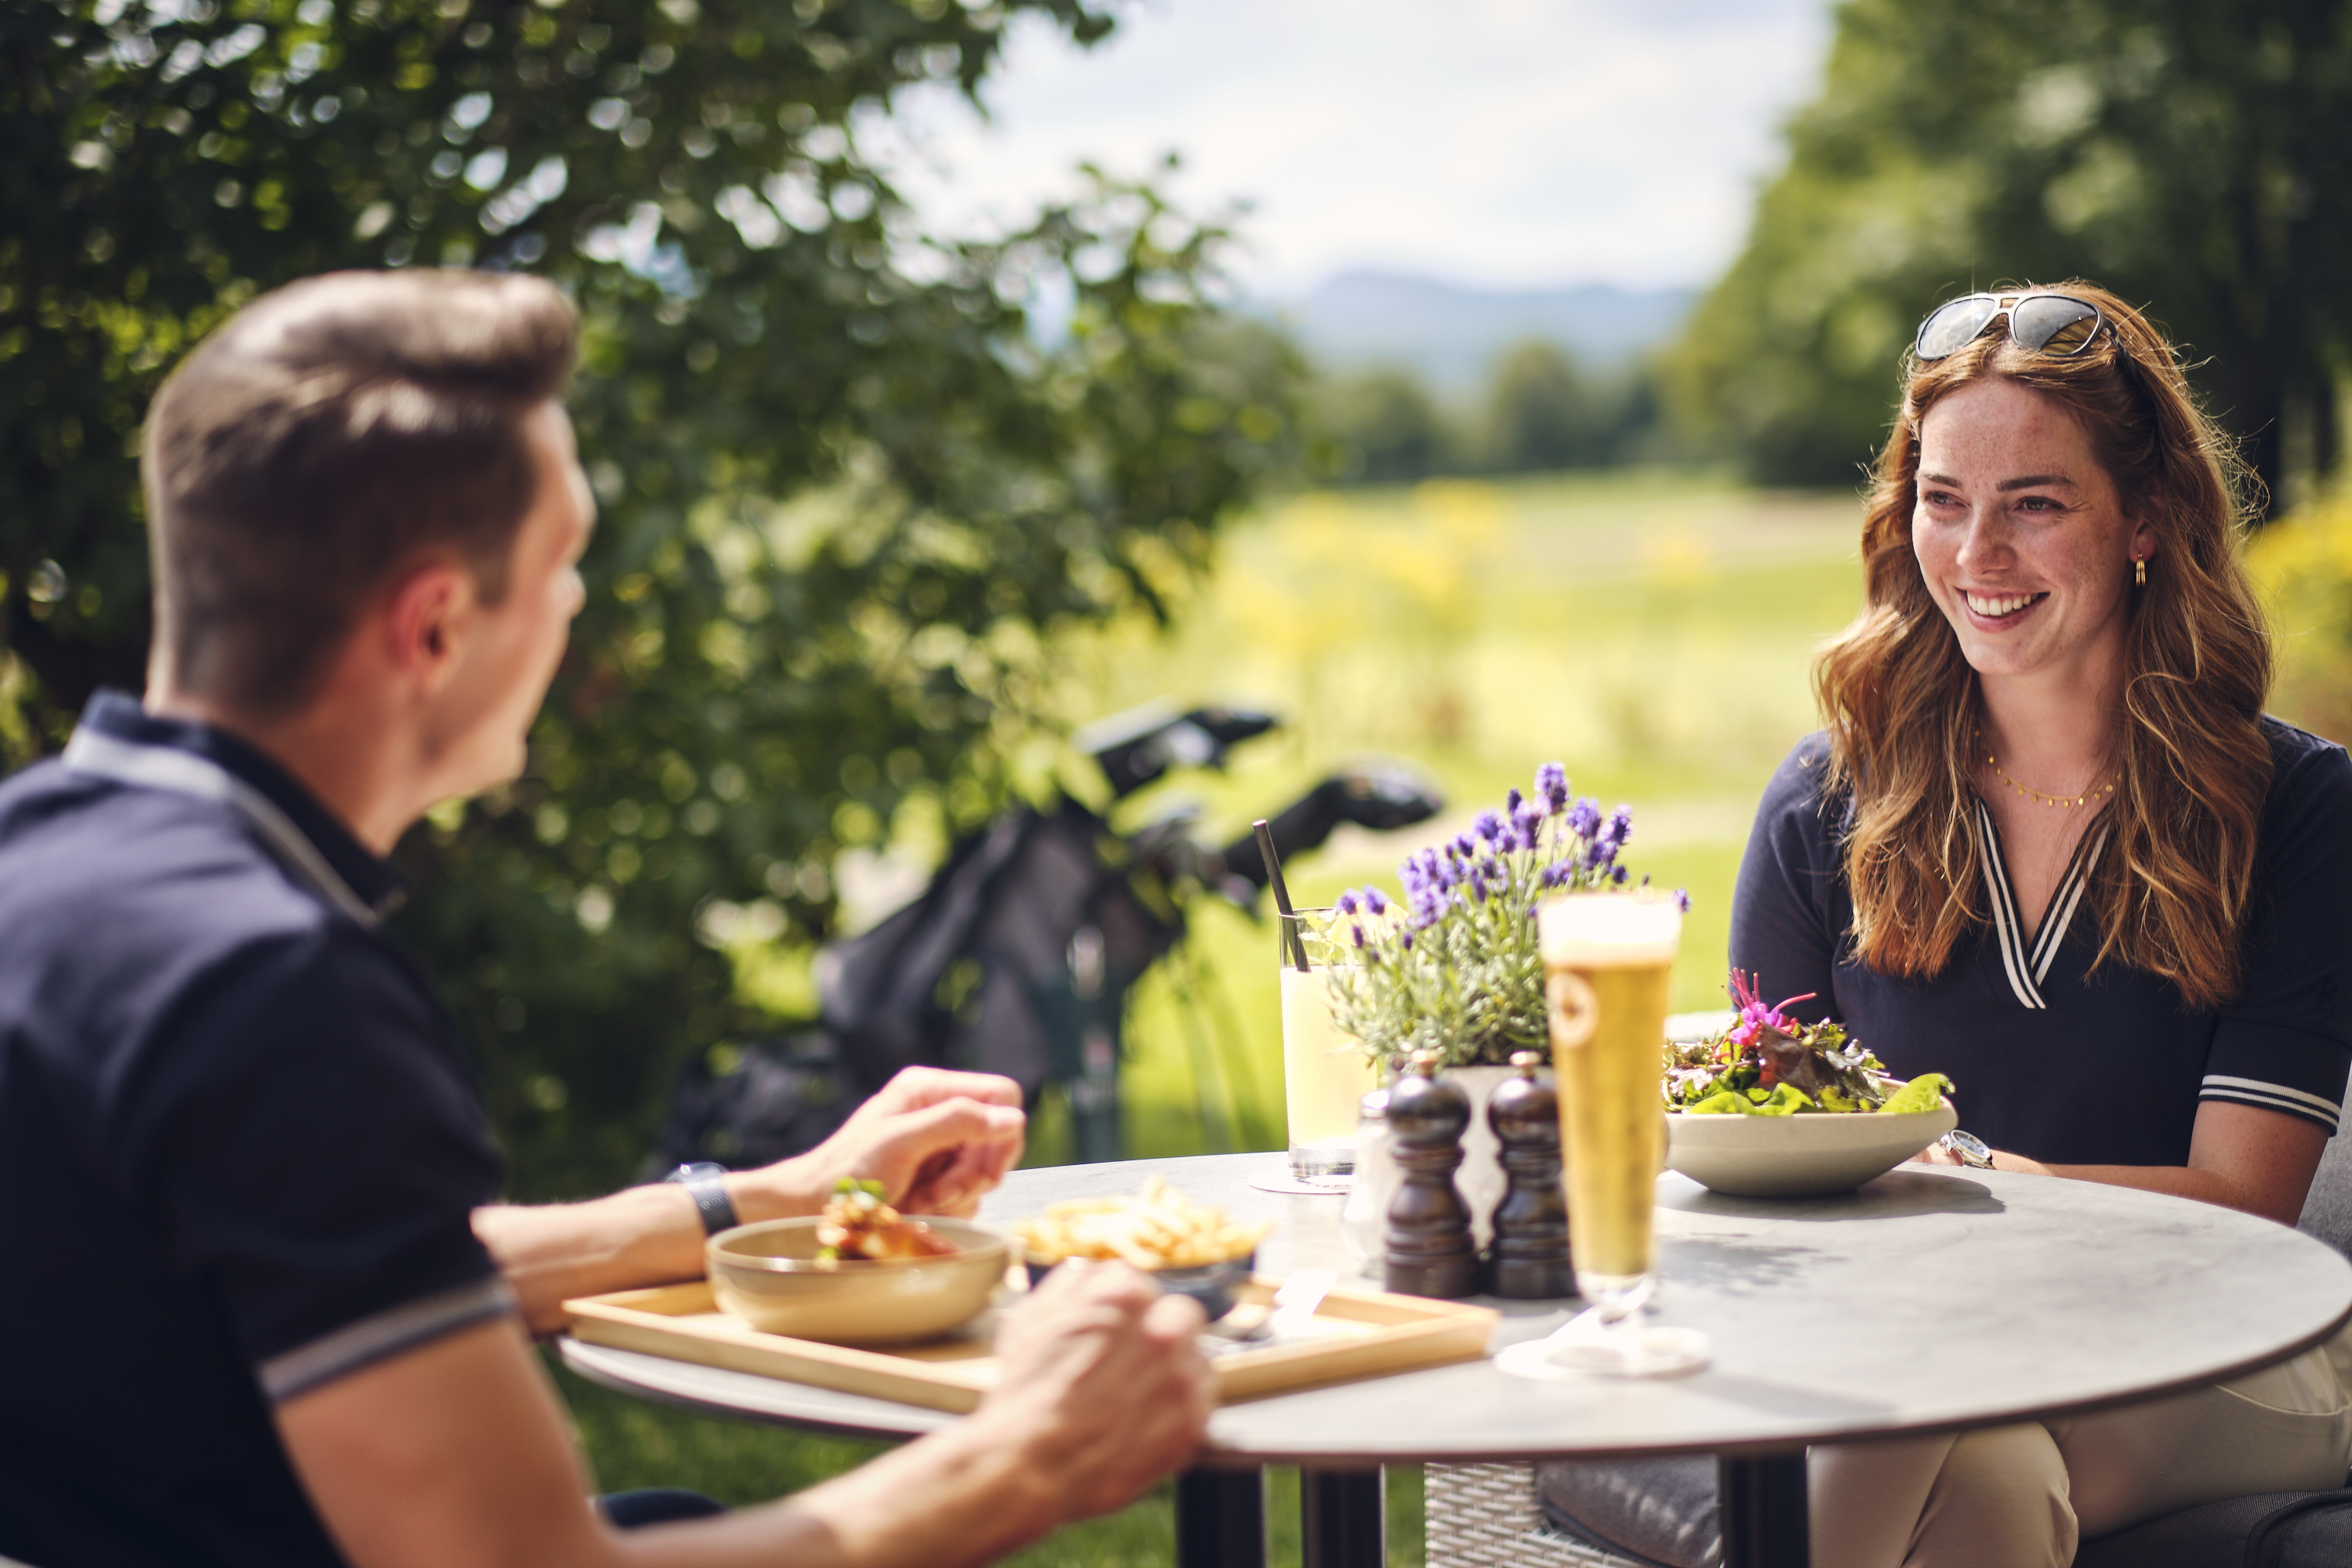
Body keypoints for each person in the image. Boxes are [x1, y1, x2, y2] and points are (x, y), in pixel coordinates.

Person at [0, 269, 1214, 1568]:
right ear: (436, 625)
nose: (576, 608)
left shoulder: (43, 870)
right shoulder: (270, 988)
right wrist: (1022, 1454)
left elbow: (363, 1261)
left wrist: (770, 1197)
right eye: (563, 563)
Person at [1731, 283, 2352, 1566]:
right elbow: (1749, 1144)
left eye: (2036, 503)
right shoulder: (1823, 804)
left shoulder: (2295, 809)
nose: (1977, 556)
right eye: (1944, 501)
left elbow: (2243, 1204)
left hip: (2229, 1342)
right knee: (1988, 1481)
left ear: (2147, 520)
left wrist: (1954, 1189)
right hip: (1925, 1340)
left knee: (1924, 1393)